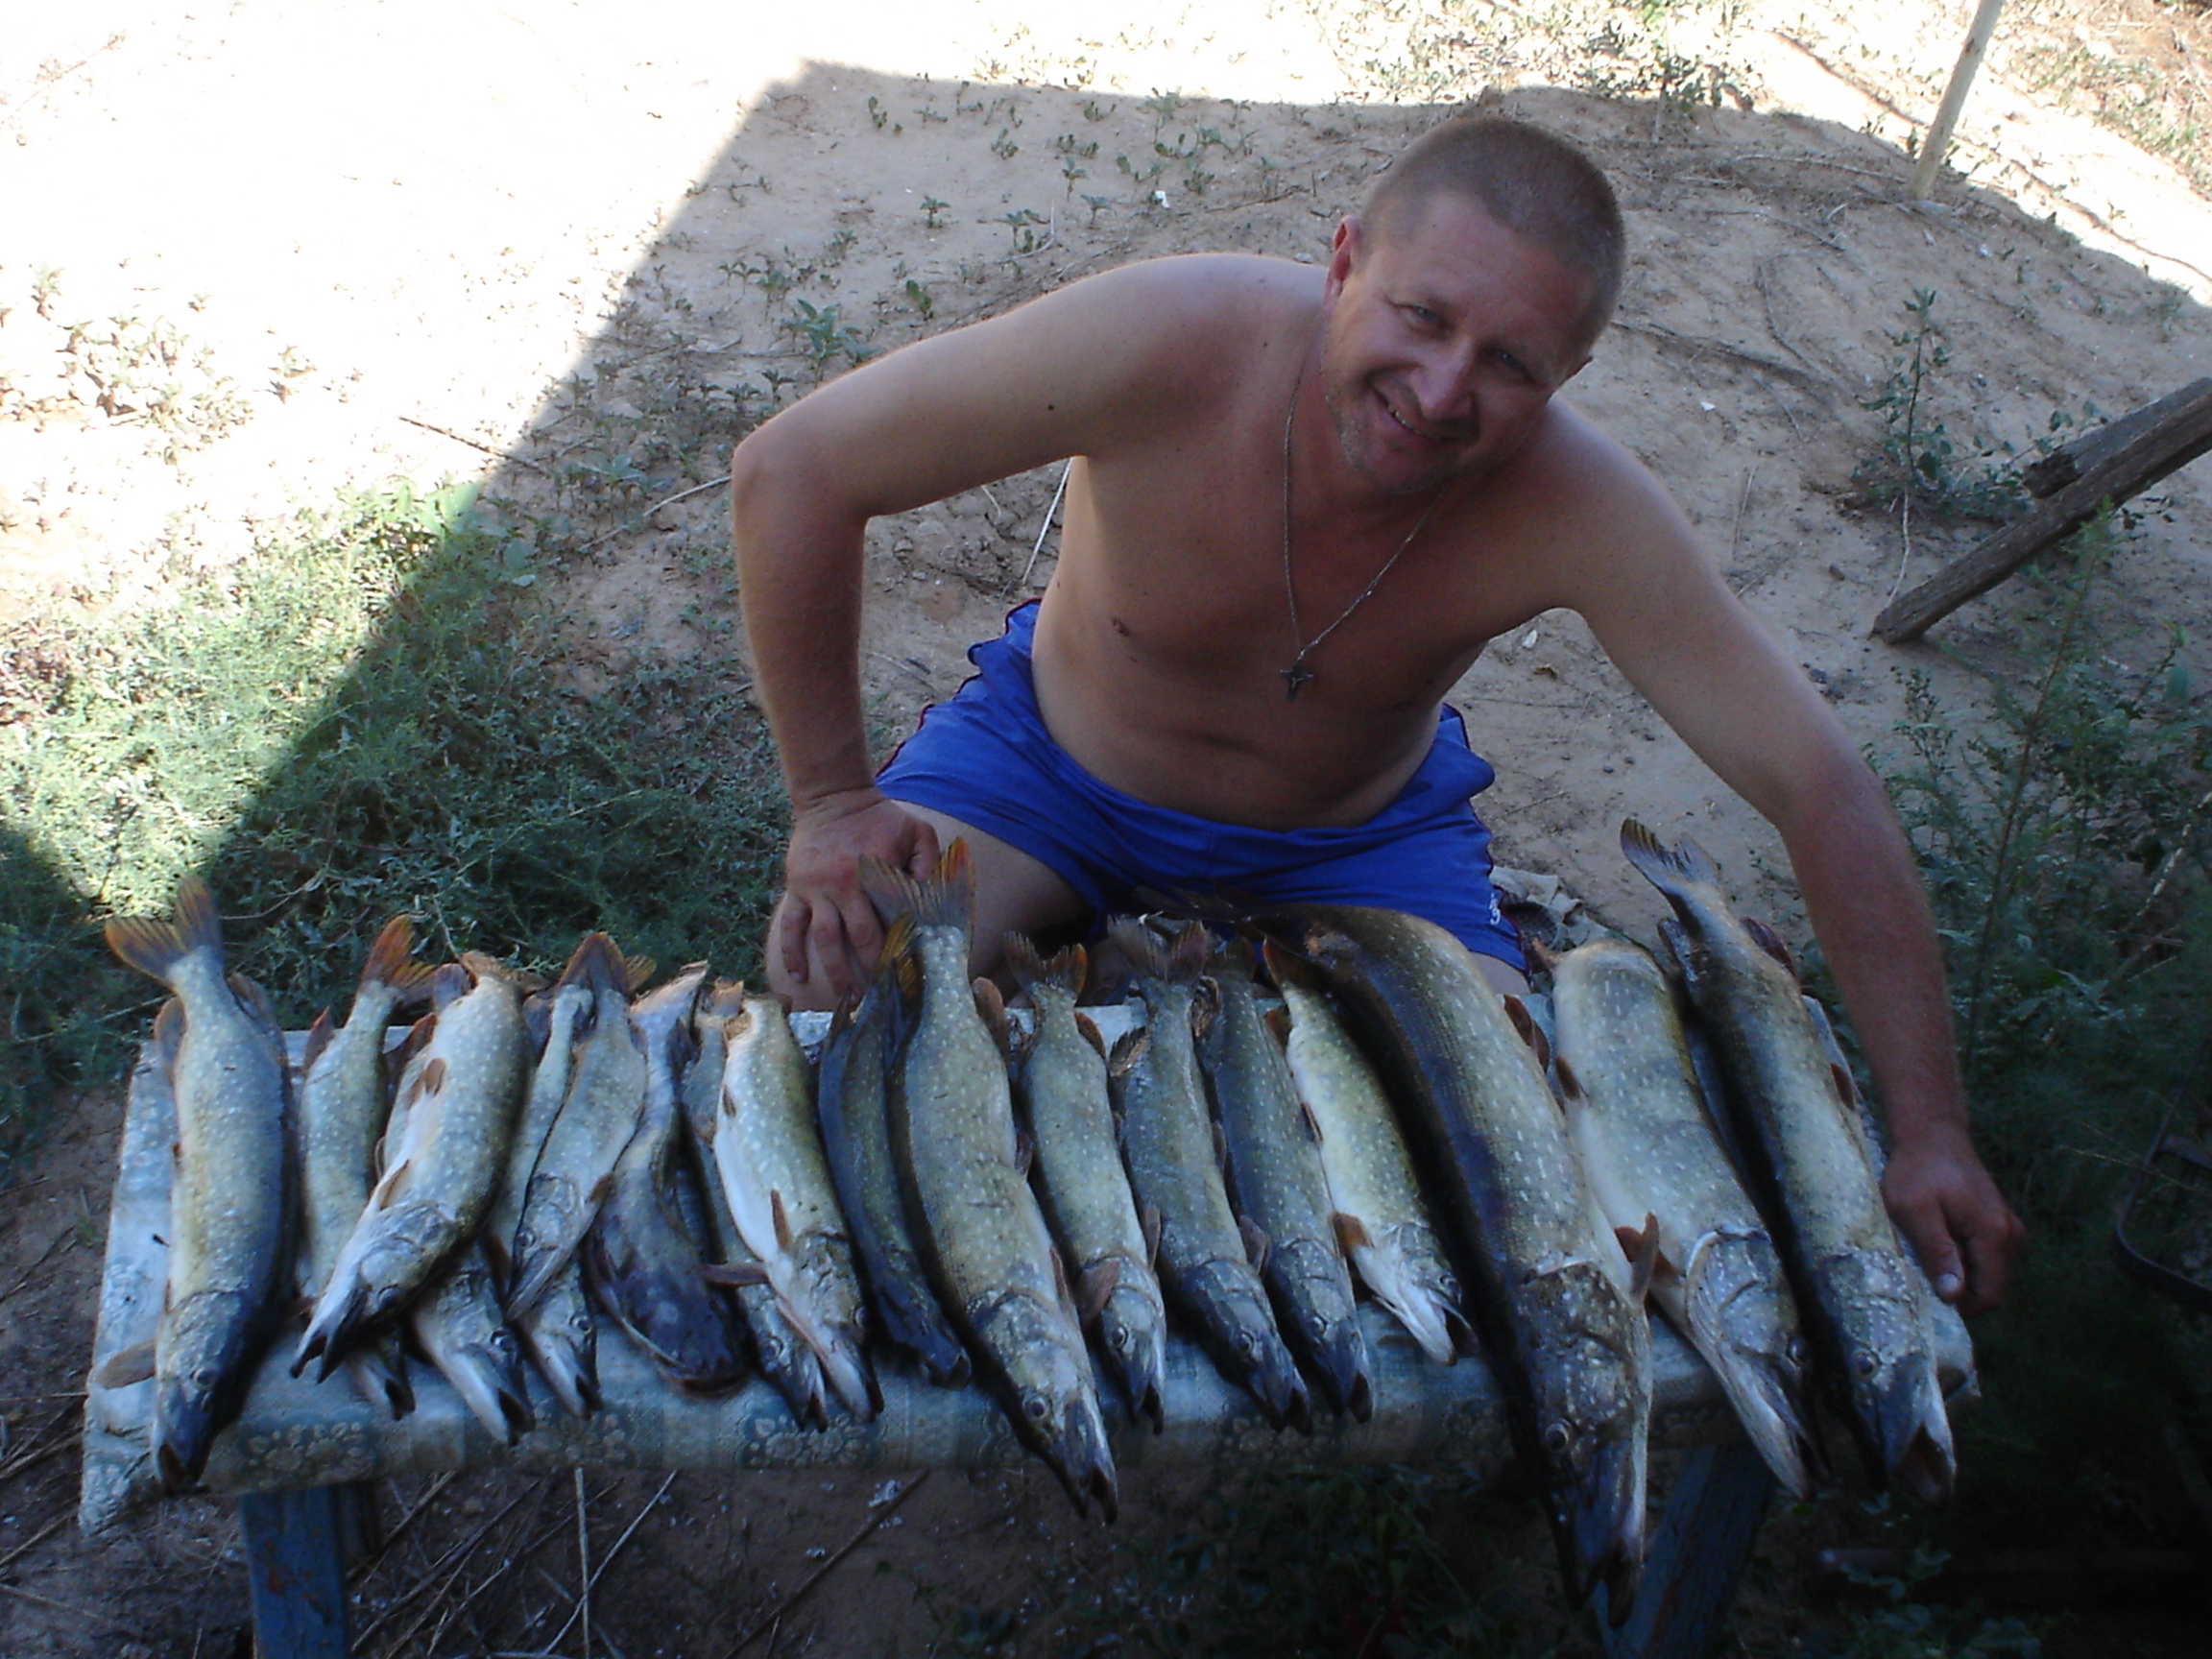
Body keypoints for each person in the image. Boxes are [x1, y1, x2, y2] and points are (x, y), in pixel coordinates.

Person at [728, 115, 2024, 1313]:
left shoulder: (1579, 507)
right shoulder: (1175, 336)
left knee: (1508, 1159)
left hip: (1352, 837)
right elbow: (796, 469)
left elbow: (1818, 780)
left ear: (1570, 371)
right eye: (1421, 314)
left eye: (1510, 363)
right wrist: (835, 802)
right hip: (1052, 767)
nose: (1444, 389)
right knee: (838, 1008)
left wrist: (1935, 1135)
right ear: (1344, 261)